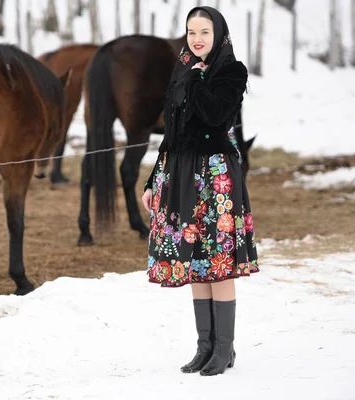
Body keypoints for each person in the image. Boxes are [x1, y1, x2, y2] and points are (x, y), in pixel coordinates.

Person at [141, 6, 259, 376]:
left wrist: (194, 80)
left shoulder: (231, 72)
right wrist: (153, 180)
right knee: (195, 262)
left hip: (216, 177)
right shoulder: (183, 71)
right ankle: (204, 346)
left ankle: (224, 349)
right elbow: (171, 133)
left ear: (218, 34)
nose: (196, 39)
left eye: (204, 31)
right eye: (191, 32)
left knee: (219, 263)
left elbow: (212, 117)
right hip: (180, 175)